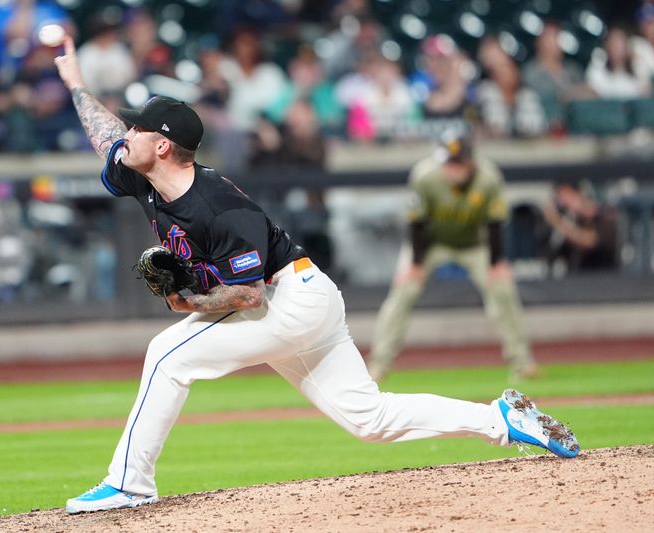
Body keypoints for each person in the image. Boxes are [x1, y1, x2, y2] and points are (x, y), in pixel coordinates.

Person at [53, 36, 578, 514]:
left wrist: (182, 303)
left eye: (138, 129)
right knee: (368, 419)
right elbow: (105, 138)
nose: (127, 135)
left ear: (163, 146)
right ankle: (499, 420)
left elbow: (248, 293)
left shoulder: (215, 205)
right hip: (300, 300)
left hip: (287, 298)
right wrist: (77, 83)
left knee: (166, 356)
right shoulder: (145, 176)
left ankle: (130, 483)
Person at [368, 131, 539, 383]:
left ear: (470, 161)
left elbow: (495, 223)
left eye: (457, 163)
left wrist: (497, 262)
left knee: (502, 289)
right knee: (404, 291)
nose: (451, 169)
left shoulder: (488, 178)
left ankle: (523, 361)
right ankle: (378, 365)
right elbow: (416, 222)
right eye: (448, 162)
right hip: (430, 243)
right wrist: (415, 264)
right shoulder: (425, 176)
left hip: (474, 243)